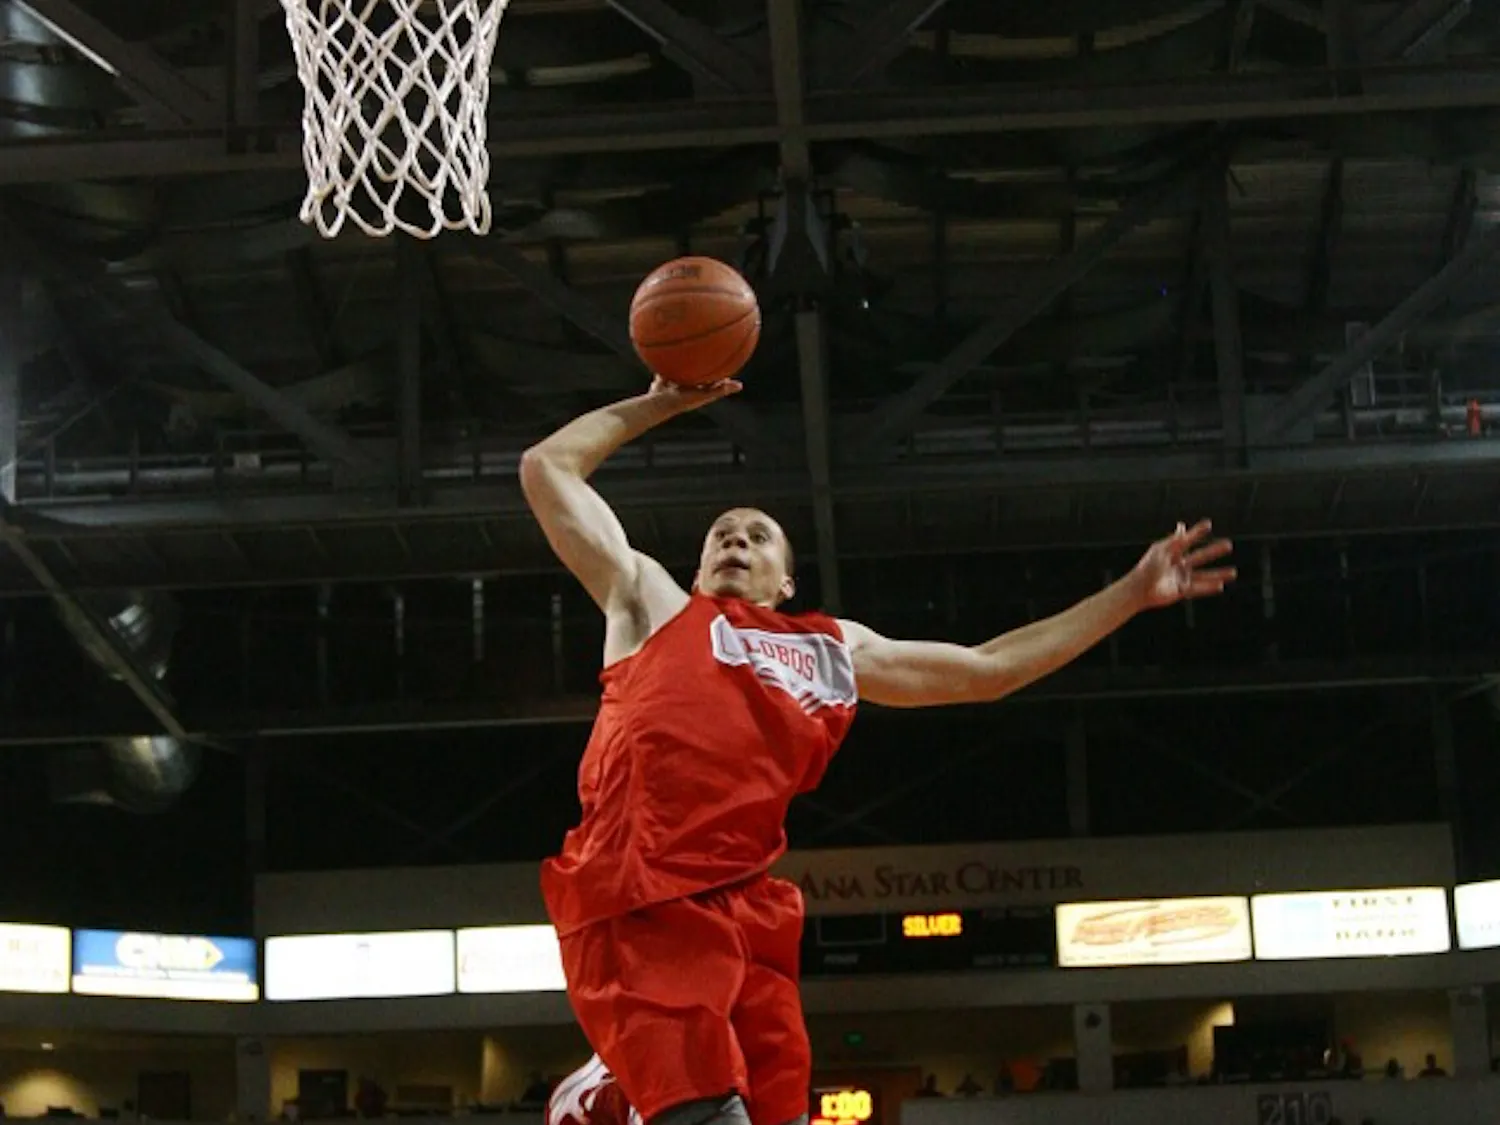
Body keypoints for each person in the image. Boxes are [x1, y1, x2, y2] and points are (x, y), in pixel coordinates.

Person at [524, 377, 1236, 1125]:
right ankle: (618, 1088)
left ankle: (612, 1088)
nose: (736, 538)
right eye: (722, 533)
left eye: (758, 534)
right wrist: (663, 403)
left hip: (747, 905)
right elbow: (546, 468)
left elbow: (989, 669)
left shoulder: (834, 647)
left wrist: (1129, 592)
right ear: (699, 569)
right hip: (639, 893)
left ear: (787, 579)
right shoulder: (651, 600)